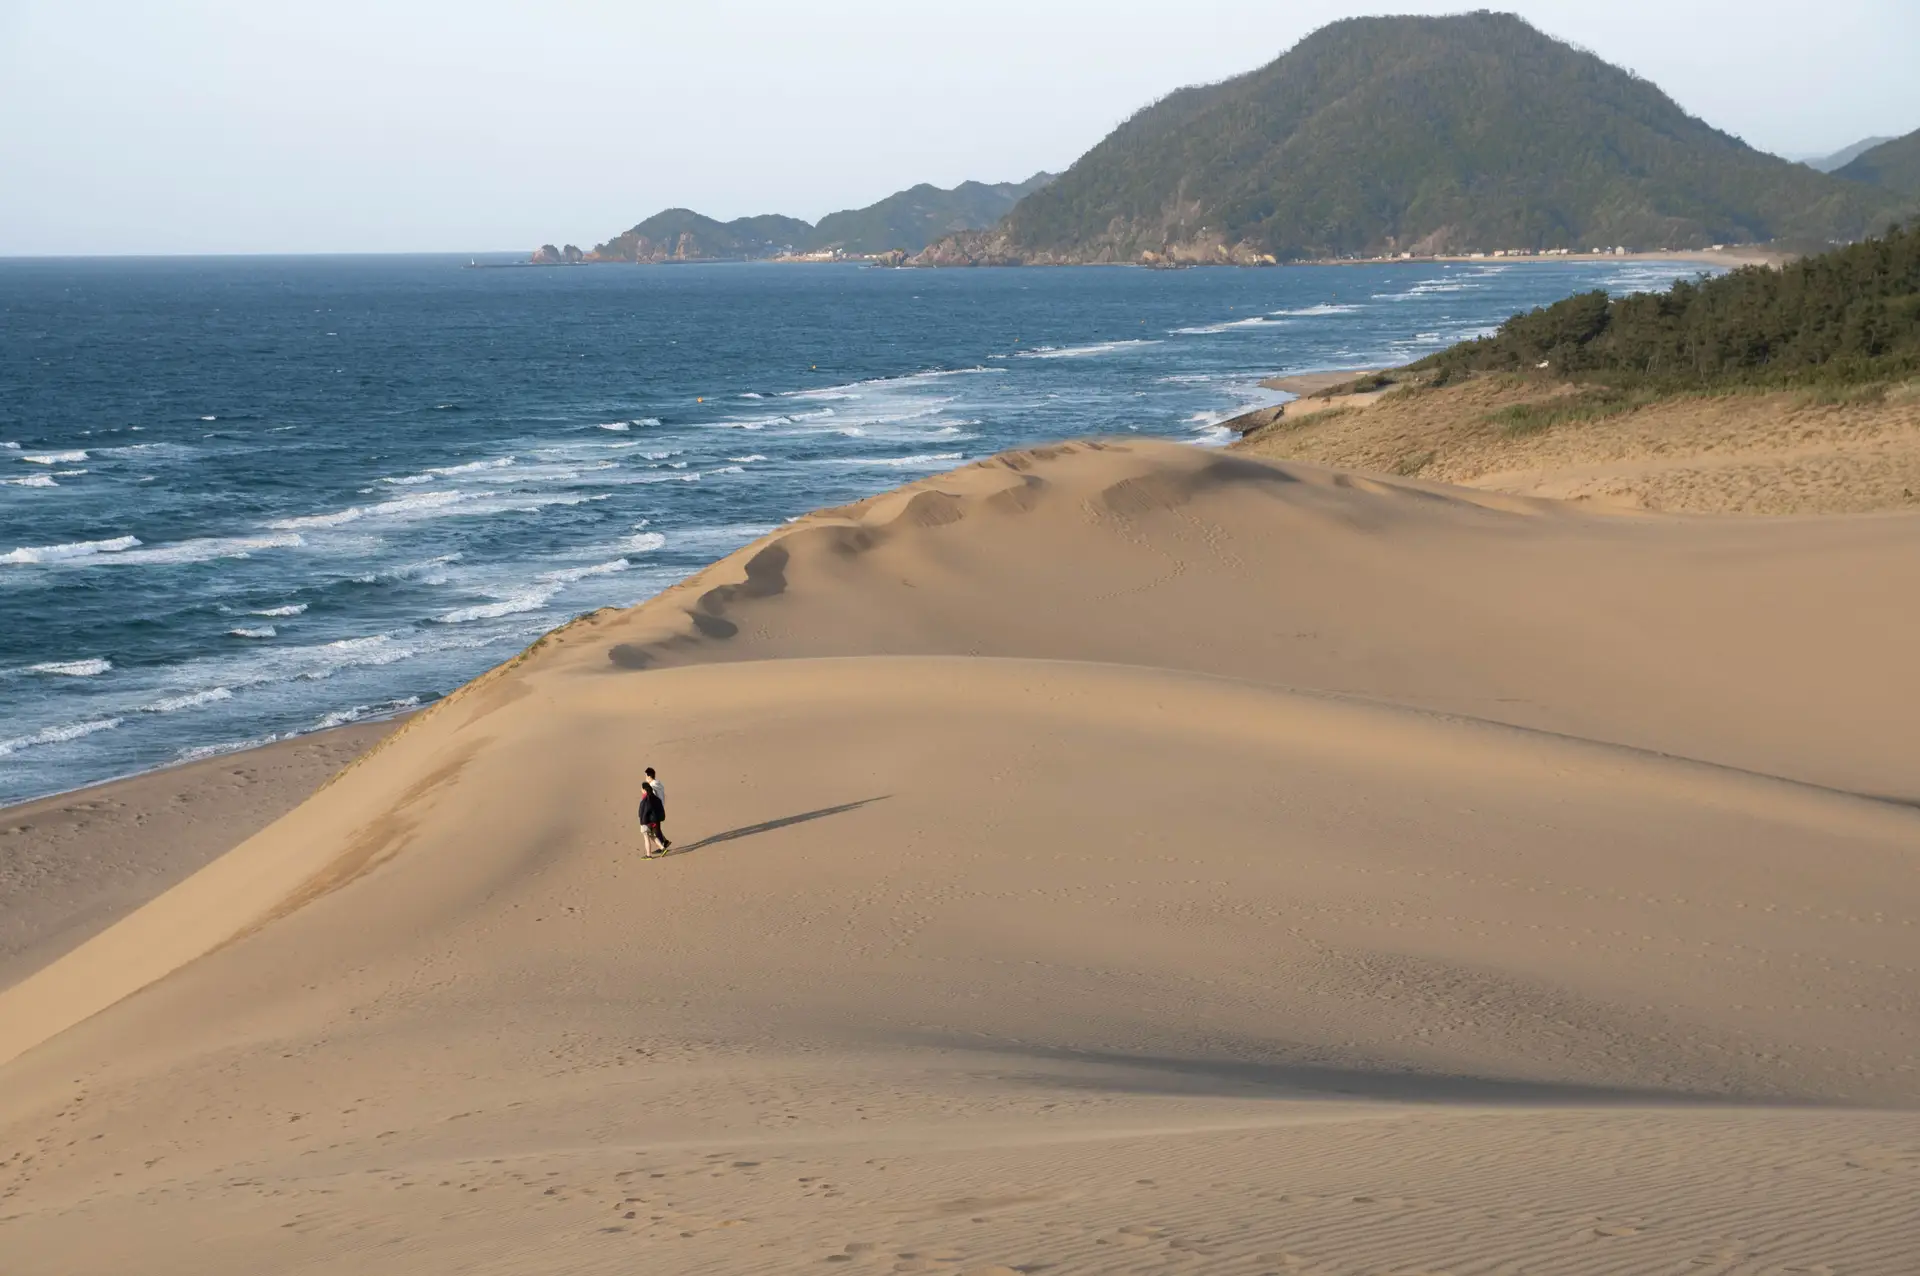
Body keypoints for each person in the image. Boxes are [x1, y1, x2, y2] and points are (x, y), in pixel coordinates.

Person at [644, 767, 671, 851]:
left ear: (649, 776)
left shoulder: (652, 786)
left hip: (655, 810)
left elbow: (652, 798)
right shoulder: (659, 784)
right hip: (660, 808)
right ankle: (664, 842)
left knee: (654, 829)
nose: (645, 778)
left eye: (646, 776)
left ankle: (663, 845)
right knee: (656, 828)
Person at [638, 781, 667, 857]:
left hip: (646, 822)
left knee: (646, 838)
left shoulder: (645, 800)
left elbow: (642, 812)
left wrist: (642, 822)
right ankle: (663, 848)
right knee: (652, 836)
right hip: (653, 822)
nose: (640, 790)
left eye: (641, 788)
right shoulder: (655, 798)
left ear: (644, 790)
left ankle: (648, 855)